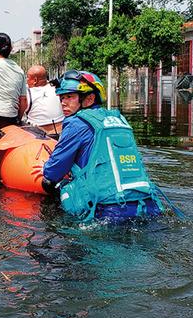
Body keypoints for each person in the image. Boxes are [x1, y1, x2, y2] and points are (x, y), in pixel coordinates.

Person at [39, 70, 165, 222]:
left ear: (89, 98)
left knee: (49, 185)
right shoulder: (119, 119)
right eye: (62, 97)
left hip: (109, 212)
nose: (63, 102)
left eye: (70, 96)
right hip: (147, 205)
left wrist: (47, 168)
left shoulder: (76, 124)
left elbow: (52, 172)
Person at [24, 65, 64, 135]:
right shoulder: (58, 89)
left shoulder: (28, 93)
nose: (26, 80)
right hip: (61, 131)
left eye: (28, 77)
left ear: (35, 80)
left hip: (40, 135)